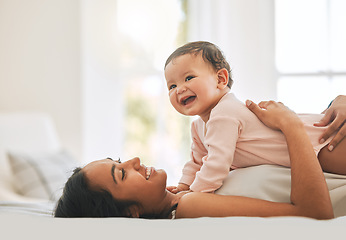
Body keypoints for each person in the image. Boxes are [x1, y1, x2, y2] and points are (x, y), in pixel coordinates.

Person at [54, 100, 336, 219]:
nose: (135, 160)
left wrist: (334, 104)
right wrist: (290, 126)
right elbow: (313, 213)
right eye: (123, 174)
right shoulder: (189, 205)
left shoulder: (193, 188)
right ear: (131, 213)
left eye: (121, 160)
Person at [164, 41, 346, 193]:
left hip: (319, 141)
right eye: (172, 86)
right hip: (304, 150)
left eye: (188, 78)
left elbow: (216, 164)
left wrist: (192, 195)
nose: (179, 89)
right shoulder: (198, 127)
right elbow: (197, 162)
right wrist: (183, 186)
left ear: (221, 80)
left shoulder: (224, 113)